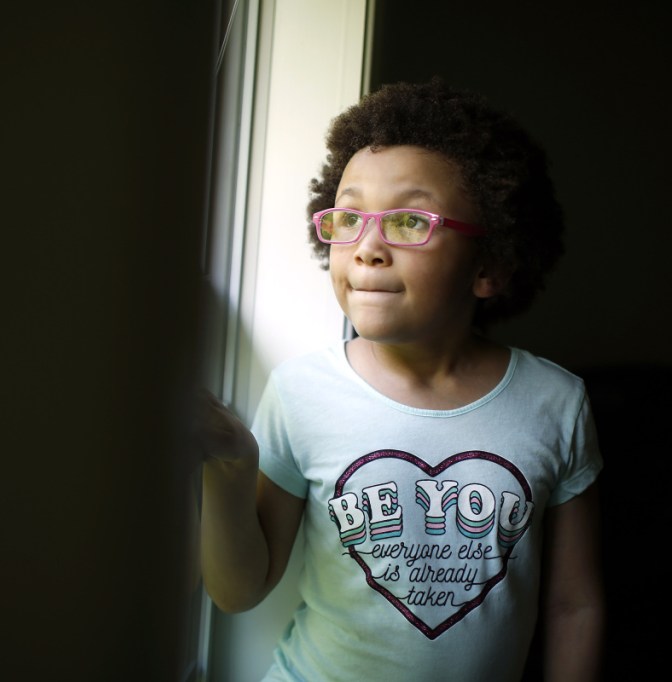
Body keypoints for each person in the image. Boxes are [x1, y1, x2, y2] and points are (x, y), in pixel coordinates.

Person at [196, 78, 604, 681]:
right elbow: (239, 590)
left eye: (410, 221)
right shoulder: (301, 391)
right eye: (349, 218)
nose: (367, 249)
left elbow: (575, 605)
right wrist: (230, 466)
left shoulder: (556, 403)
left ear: (489, 265)